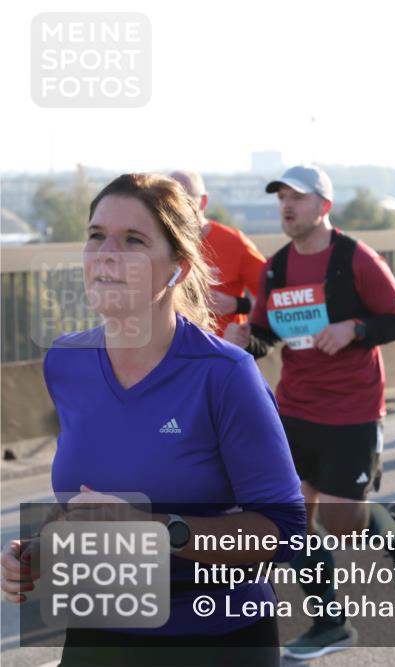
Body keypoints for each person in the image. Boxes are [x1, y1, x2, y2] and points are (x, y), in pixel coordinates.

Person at [1, 174, 306, 667]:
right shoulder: (65, 362)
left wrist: (159, 530)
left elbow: (286, 532)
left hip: (214, 638)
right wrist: (38, 549)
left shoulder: (224, 374)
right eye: (96, 235)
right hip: (98, 630)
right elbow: (84, 501)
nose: (106, 253)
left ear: (177, 269)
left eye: (134, 241)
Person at [224, 165, 395, 658]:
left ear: (324, 207)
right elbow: (267, 335)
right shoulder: (276, 268)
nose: (287, 207)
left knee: (341, 520)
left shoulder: (356, 259)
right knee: (290, 520)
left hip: (353, 409)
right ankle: (330, 622)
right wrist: (242, 342)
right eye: (282, 199)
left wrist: (354, 329)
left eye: (298, 198)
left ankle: (394, 528)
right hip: (295, 408)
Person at [169, 170, 267, 338]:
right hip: (170, 354)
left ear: (203, 202)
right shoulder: (155, 244)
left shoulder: (235, 243)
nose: (178, 207)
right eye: (170, 199)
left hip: (223, 354)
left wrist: (237, 304)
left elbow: (274, 300)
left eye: (186, 199)